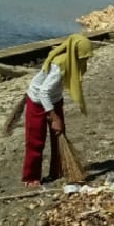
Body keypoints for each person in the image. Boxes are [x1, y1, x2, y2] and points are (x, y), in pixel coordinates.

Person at [22, 34, 93, 187]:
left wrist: (56, 118)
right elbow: (43, 92)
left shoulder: (73, 63)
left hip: (54, 99)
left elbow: (52, 91)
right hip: (37, 101)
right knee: (36, 140)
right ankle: (31, 177)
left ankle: (58, 170)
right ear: (75, 54)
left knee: (59, 134)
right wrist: (54, 117)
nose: (85, 61)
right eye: (83, 57)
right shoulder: (59, 64)